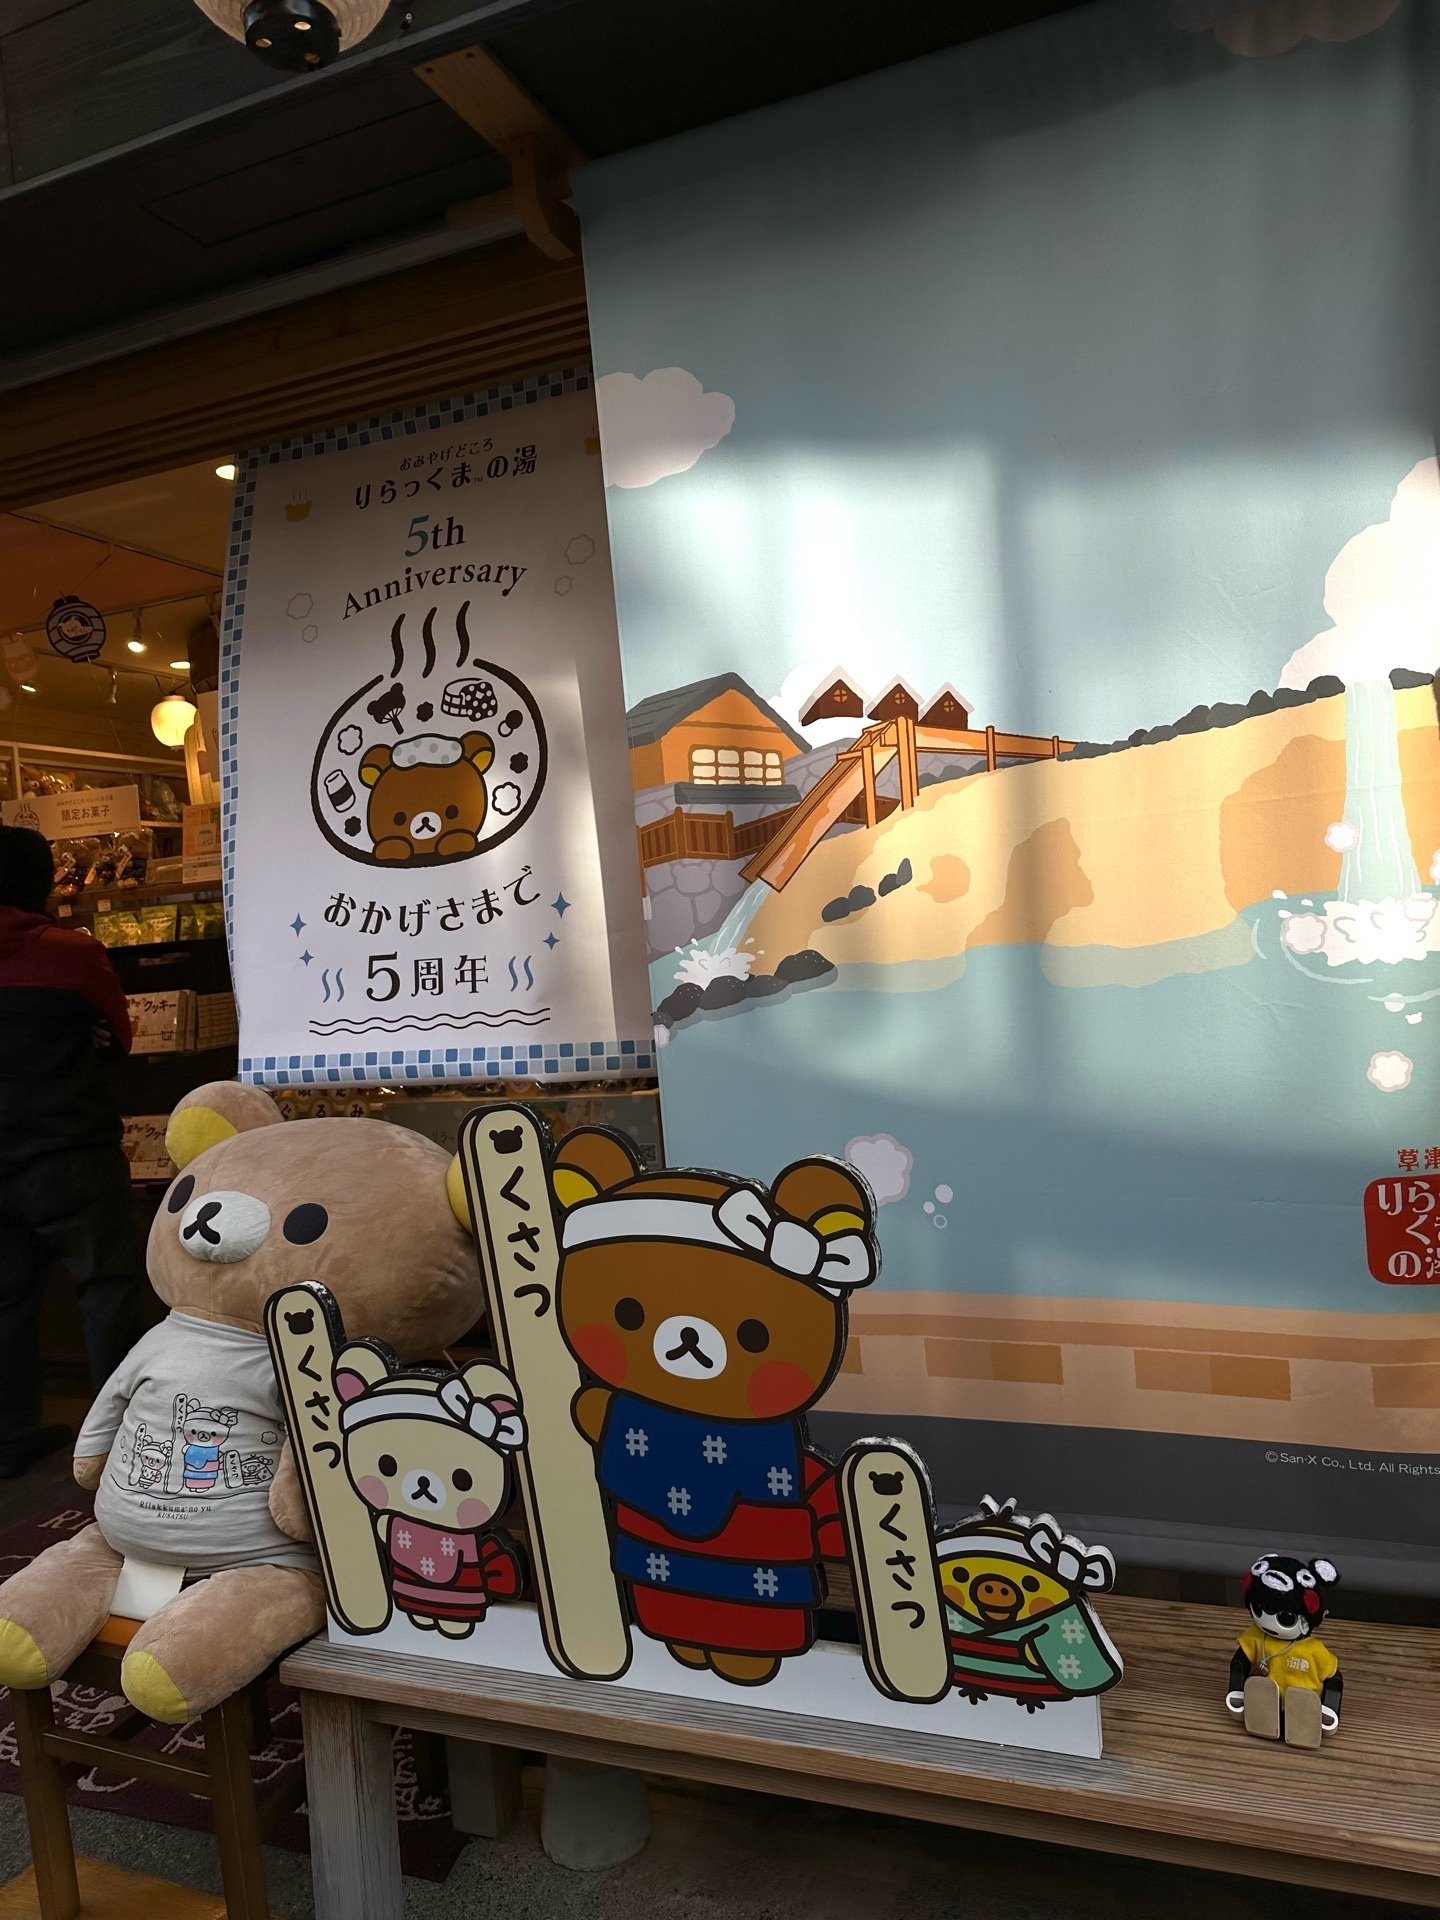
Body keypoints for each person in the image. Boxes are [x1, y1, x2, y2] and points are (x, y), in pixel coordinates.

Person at [0, 825, 148, 1478]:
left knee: (7, 1300)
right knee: (106, 1290)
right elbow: (119, 1036)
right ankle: (120, 1439)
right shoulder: (73, 953)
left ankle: (11, 1436)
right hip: (71, 1151)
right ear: (41, 883)